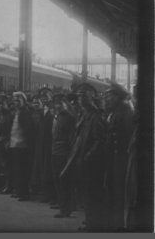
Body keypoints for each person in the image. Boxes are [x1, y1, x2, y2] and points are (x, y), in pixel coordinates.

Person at [61, 83, 107, 232]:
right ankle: (89, 221)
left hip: (89, 163)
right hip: (79, 159)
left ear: (91, 97)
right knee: (84, 192)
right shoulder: (84, 115)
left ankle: (92, 223)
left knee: (91, 193)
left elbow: (99, 141)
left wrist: (88, 157)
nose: (80, 99)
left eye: (83, 96)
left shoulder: (95, 116)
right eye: (79, 96)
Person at [104, 83, 135, 231]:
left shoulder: (125, 112)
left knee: (118, 191)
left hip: (120, 159)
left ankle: (118, 226)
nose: (106, 99)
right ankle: (114, 223)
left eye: (109, 96)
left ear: (118, 97)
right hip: (114, 158)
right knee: (114, 190)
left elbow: (125, 138)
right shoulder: (117, 111)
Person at [51, 94, 75, 218]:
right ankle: (62, 205)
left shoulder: (69, 117)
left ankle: (66, 209)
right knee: (57, 179)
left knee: (64, 180)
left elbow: (72, 137)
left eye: (61, 103)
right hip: (55, 150)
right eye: (56, 103)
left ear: (66, 104)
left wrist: (68, 152)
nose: (58, 105)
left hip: (63, 152)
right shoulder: (57, 116)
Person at [9, 91, 34, 201]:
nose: (16, 102)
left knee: (23, 170)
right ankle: (19, 191)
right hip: (15, 144)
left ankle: (24, 193)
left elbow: (28, 129)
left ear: (24, 101)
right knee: (17, 170)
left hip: (22, 145)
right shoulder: (16, 111)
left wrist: (28, 143)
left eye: (19, 100)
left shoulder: (25, 112)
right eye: (15, 100)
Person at [0, 93, 13, 194]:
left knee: (7, 164)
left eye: (3, 103)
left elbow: (11, 130)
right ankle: (4, 184)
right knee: (2, 164)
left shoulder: (10, 115)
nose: (1, 106)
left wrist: (7, 140)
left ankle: (8, 185)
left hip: (6, 142)